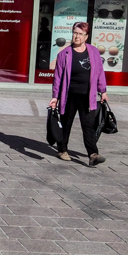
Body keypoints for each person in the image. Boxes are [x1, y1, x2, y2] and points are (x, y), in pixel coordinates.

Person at [49, 21, 108, 166]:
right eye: (75, 33)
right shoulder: (64, 54)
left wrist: (103, 91)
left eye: (81, 34)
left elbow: (99, 73)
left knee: (88, 125)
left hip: (87, 95)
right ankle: (62, 150)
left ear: (86, 36)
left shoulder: (93, 52)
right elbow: (58, 77)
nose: (77, 36)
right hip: (69, 95)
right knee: (66, 123)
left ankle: (93, 154)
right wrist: (55, 96)